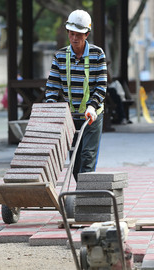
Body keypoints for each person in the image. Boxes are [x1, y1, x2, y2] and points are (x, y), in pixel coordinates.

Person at [45, 9, 107, 181]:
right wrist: (51, 106)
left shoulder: (97, 54)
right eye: (71, 34)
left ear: (87, 34)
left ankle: (84, 198)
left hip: (92, 114)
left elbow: (101, 85)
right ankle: (81, 194)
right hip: (71, 115)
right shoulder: (60, 56)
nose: (74, 38)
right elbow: (52, 86)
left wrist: (92, 106)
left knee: (87, 157)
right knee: (74, 161)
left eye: (78, 34)